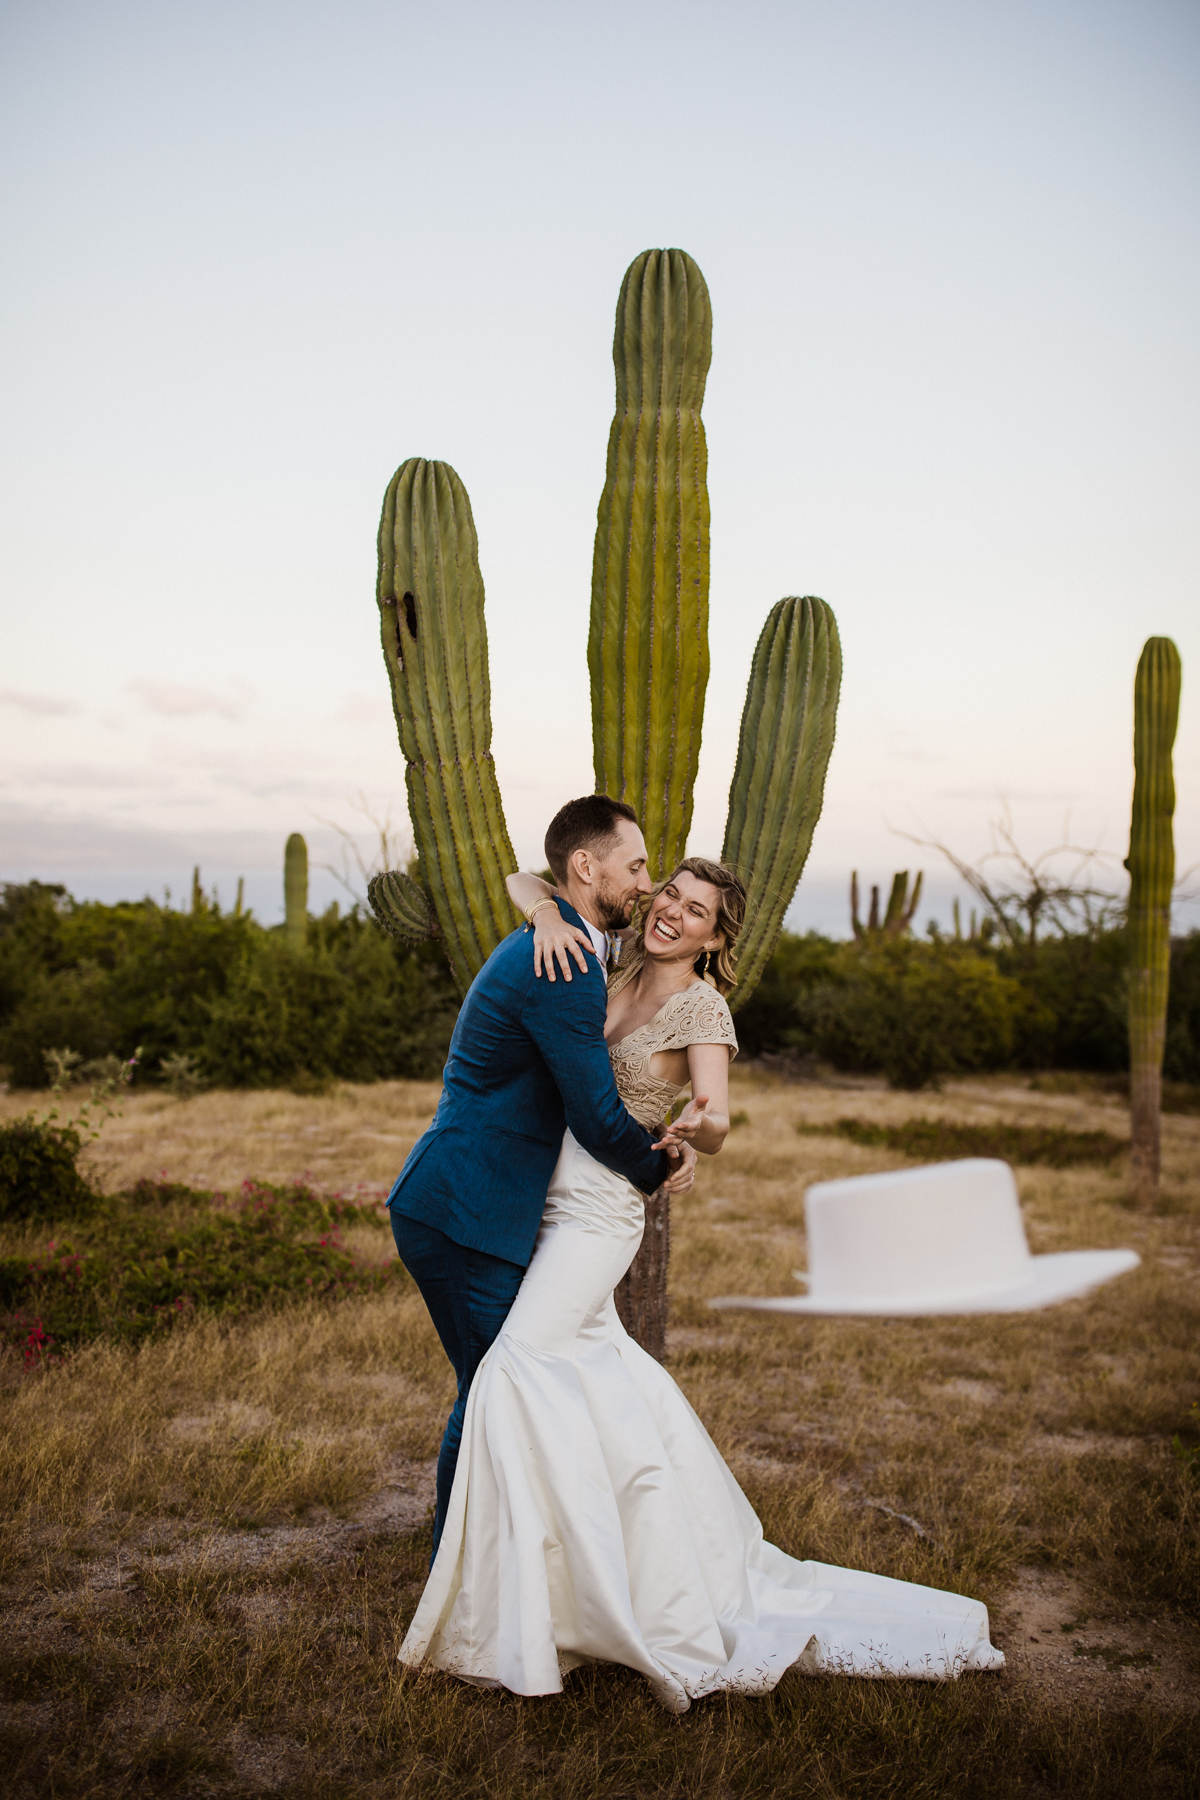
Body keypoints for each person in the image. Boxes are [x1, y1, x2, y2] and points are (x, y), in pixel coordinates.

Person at [397, 854, 1004, 1709]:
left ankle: (522, 1599)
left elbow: (717, 1112)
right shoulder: (597, 961)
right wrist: (541, 915)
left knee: (514, 1368)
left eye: (695, 910)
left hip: (599, 1215)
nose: (673, 913)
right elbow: (527, 884)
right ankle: (617, 1562)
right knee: (591, 1384)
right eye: (669, 895)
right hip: (540, 1199)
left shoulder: (701, 1006)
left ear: (716, 938)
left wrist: (700, 1131)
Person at [386, 795, 697, 1557]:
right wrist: (656, 1164)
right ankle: (454, 1573)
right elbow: (593, 1112)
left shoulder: (567, 940)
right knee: (493, 1393)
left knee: (503, 1390)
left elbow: (528, 878)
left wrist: (548, 907)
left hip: (478, 1203)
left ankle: (505, 1563)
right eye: (636, 866)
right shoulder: (561, 965)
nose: (647, 885)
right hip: (466, 1209)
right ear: (586, 869)